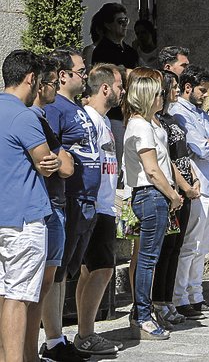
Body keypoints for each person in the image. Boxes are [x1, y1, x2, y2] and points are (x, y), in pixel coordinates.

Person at [40, 48, 100, 361]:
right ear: (62, 75)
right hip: (70, 197)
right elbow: (53, 152)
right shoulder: (54, 109)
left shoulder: (75, 106)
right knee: (56, 271)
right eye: (80, 69)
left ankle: (57, 339)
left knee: (66, 271)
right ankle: (53, 340)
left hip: (86, 199)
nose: (85, 73)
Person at [0, 49, 58, 362]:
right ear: (31, 79)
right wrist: (46, 163)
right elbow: (47, 161)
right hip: (23, 219)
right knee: (19, 296)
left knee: (3, 293)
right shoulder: (25, 116)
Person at [123, 68, 182, 339]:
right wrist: (172, 194)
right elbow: (152, 169)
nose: (163, 98)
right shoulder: (141, 126)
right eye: (158, 94)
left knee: (151, 259)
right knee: (147, 260)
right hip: (150, 195)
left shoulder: (147, 124)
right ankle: (142, 315)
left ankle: (144, 312)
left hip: (154, 195)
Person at [23, 55, 75, 362]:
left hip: (55, 204)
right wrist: (57, 162)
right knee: (32, 288)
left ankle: (34, 350)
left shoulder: (43, 119)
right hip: (43, 207)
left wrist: (58, 162)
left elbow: (66, 165)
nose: (57, 87)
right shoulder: (30, 118)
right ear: (39, 84)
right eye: (54, 82)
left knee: (44, 284)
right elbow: (50, 164)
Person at [73, 64, 126, 355]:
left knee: (92, 270)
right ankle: (86, 333)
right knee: (102, 270)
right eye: (119, 86)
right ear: (105, 88)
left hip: (104, 204)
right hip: (93, 205)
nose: (122, 91)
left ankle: (85, 332)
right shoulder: (89, 119)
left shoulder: (103, 121)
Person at [169, 64, 209, 318]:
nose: (205, 95)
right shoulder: (180, 112)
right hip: (196, 183)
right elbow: (200, 148)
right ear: (188, 87)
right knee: (190, 244)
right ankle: (180, 296)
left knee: (203, 245)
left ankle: (195, 293)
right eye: (202, 90)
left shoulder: (202, 114)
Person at [152, 70, 197, 325]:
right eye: (174, 86)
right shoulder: (157, 121)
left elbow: (183, 154)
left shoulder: (172, 118)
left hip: (188, 184)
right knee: (166, 248)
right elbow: (167, 161)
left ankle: (168, 299)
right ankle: (159, 301)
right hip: (174, 188)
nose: (178, 90)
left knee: (177, 247)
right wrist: (182, 187)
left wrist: (194, 179)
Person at [90, 3, 139, 70]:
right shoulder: (101, 52)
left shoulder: (130, 51)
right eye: (120, 21)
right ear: (108, 25)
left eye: (126, 20)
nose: (125, 24)